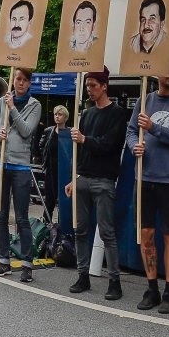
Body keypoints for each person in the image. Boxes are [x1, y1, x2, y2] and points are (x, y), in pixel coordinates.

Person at [126, 55, 169, 314]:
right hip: (144, 177)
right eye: (168, 69)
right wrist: (135, 146)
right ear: (157, 72)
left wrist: (153, 127)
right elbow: (131, 130)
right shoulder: (145, 99)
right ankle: (152, 287)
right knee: (146, 234)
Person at [65, 66, 130, 300]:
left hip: (104, 179)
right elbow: (80, 152)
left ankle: (114, 280)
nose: (89, 90)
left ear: (105, 86)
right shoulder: (88, 114)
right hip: (84, 177)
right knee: (80, 229)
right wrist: (74, 178)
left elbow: (110, 144)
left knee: (107, 232)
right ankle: (83, 275)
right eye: (87, 85)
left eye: (93, 85)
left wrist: (84, 139)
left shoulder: (118, 113)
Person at [0, 68, 42, 281]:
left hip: (20, 167)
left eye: (24, 80)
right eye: (17, 78)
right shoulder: (1, 101)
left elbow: (27, 130)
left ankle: (27, 263)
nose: (20, 82)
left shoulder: (34, 105)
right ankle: (3, 261)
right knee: (0, 214)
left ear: (29, 83)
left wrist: (12, 108)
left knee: (21, 218)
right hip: (0, 163)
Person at [38, 105, 69, 221]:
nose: (57, 116)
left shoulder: (69, 133)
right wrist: (44, 158)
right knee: (49, 199)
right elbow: (41, 146)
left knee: (63, 200)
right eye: (56, 114)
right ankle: (47, 224)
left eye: (60, 114)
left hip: (64, 170)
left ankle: (63, 226)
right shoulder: (48, 131)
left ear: (65, 118)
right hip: (51, 169)